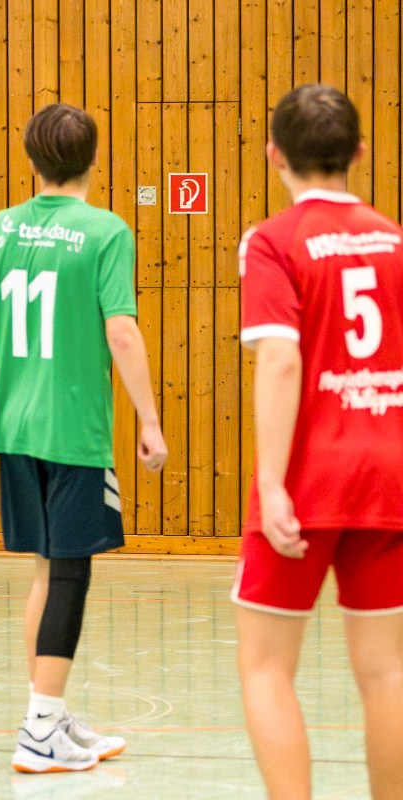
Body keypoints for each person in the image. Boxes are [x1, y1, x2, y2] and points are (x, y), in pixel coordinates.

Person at [0, 103, 167, 773]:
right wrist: (150, 421)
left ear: (31, 160)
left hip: (12, 429)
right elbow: (121, 330)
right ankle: (41, 731)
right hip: (73, 432)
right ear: (94, 160)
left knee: (46, 570)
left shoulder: (2, 227)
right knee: (70, 571)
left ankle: (48, 714)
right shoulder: (106, 231)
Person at [234, 84, 403, 800]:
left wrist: (274, 484)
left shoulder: (273, 241)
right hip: (388, 473)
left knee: (267, 667)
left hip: (310, 475)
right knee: (387, 672)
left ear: (274, 154)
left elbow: (280, 358)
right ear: (359, 153)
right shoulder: (395, 241)